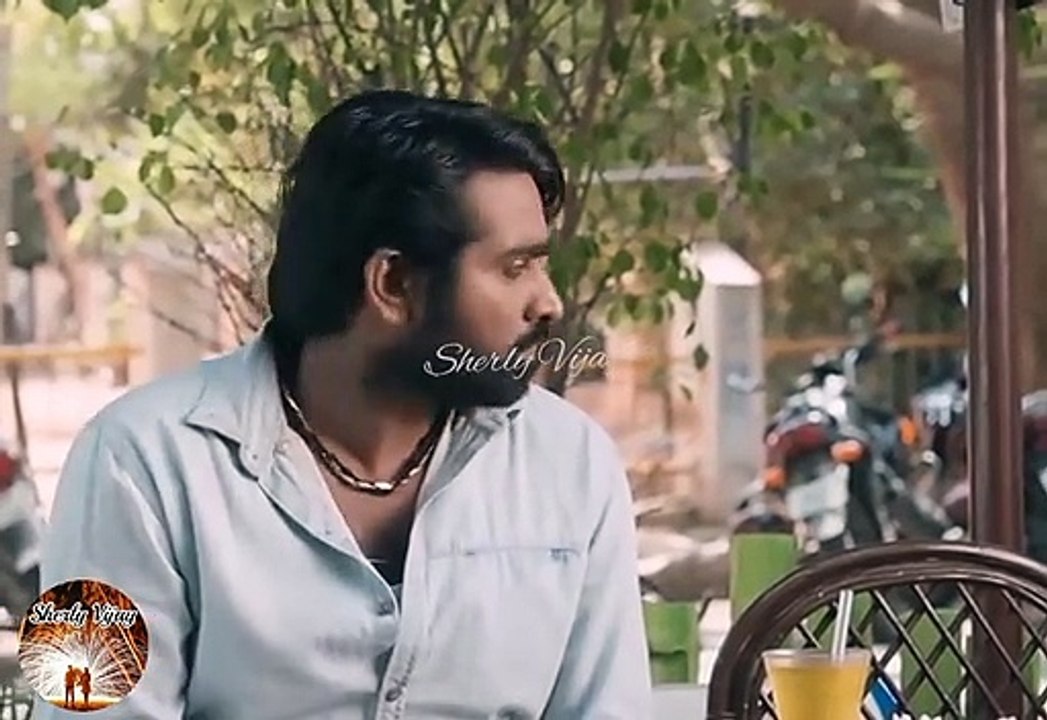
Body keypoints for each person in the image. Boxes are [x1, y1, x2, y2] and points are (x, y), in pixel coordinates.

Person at [36, 90, 651, 719]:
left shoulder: (571, 464)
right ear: (392, 284)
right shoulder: (133, 460)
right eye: (515, 268)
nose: (548, 303)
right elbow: (80, 709)